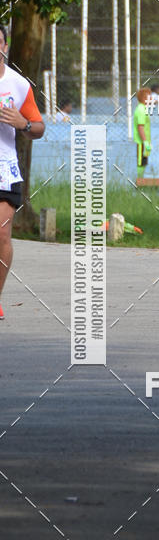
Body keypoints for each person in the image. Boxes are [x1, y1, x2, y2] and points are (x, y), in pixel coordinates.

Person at [0, 22, 45, 319]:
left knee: (2, 237)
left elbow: (39, 127)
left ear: (4, 46)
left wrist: (23, 124)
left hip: (4, 169)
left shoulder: (18, 84)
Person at [133, 87, 152, 178]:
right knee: (140, 162)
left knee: (144, 161)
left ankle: (141, 180)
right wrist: (145, 141)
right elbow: (140, 127)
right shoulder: (141, 110)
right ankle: (139, 182)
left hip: (144, 141)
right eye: (149, 97)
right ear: (144, 98)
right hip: (141, 142)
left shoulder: (143, 108)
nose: (151, 99)